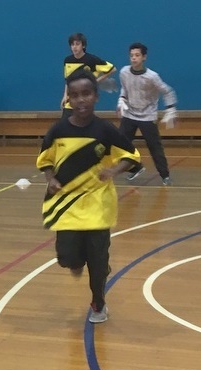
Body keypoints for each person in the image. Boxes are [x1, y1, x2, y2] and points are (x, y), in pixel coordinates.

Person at [38, 70, 141, 323]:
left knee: (97, 262)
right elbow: (45, 160)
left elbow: (131, 156)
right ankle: (76, 260)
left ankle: (99, 303)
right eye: (74, 95)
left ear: (95, 97)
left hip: (98, 206)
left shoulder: (105, 130)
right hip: (67, 206)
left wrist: (113, 170)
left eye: (86, 94)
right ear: (68, 100)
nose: (80, 100)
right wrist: (51, 178)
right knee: (68, 258)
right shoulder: (58, 130)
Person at [117, 42, 177, 186]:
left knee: (154, 147)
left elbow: (167, 91)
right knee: (119, 144)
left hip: (147, 116)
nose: (133, 58)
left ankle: (165, 175)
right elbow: (124, 89)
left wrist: (170, 109)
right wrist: (121, 100)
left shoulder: (152, 76)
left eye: (137, 55)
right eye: (131, 55)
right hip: (130, 114)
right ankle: (136, 167)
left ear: (144, 57)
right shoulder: (124, 72)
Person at [60, 33, 117, 119]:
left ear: (83, 46)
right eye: (72, 44)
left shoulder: (91, 60)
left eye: (77, 44)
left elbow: (113, 69)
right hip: (70, 102)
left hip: (84, 103)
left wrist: (95, 81)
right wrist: (65, 96)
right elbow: (67, 80)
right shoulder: (67, 60)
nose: (74, 47)